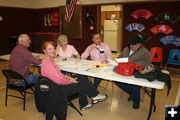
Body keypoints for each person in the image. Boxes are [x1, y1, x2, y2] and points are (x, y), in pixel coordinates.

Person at [41, 41, 108, 111]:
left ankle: (91, 99)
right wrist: (70, 81)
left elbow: (58, 75)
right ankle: (92, 98)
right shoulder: (47, 64)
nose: (52, 51)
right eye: (49, 49)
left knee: (80, 77)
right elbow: (58, 80)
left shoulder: (49, 60)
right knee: (81, 83)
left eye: (53, 48)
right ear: (44, 50)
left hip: (58, 84)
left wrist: (67, 77)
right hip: (58, 89)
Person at [114, 34, 152, 109]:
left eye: (133, 45)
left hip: (136, 72)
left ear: (139, 45)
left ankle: (136, 100)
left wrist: (131, 63)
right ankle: (133, 94)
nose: (131, 47)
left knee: (134, 84)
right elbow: (119, 58)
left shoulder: (145, 52)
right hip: (124, 70)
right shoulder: (126, 49)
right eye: (130, 44)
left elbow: (147, 64)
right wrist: (116, 60)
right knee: (116, 80)